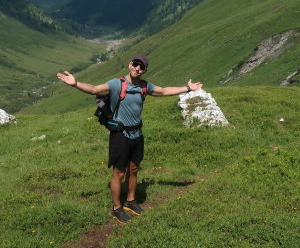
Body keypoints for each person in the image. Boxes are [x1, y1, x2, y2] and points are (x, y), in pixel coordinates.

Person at [57, 55, 203, 223]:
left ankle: (131, 201)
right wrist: (75, 84)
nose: (137, 68)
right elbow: (95, 89)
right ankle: (116, 208)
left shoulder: (144, 86)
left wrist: (188, 88)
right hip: (120, 135)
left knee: (134, 169)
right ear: (129, 65)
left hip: (137, 134)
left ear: (144, 71)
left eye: (141, 67)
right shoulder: (116, 84)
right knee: (119, 173)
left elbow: (163, 91)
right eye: (135, 64)